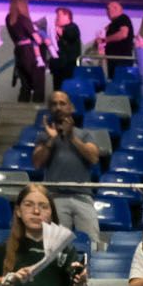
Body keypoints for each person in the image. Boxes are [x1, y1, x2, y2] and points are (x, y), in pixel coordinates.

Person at [33, 87, 102, 245]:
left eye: (62, 103)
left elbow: (93, 158)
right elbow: (37, 163)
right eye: (54, 104)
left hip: (83, 197)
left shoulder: (84, 134)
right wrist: (51, 140)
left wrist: (71, 137)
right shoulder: (44, 136)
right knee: (54, 245)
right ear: (50, 108)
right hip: (55, 197)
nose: (58, 107)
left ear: (71, 107)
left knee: (92, 242)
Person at [98, 0, 135, 78]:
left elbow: (123, 34)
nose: (108, 12)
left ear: (118, 9)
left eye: (110, 9)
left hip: (121, 59)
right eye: (107, 10)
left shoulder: (123, 18)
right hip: (113, 58)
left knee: (120, 80)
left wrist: (105, 40)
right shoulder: (112, 24)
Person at [47, 5, 82, 89]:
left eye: (59, 15)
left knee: (68, 90)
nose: (56, 18)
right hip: (58, 67)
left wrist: (59, 30)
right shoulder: (57, 30)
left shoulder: (73, 27)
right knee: (57, 90)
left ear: (67, 16)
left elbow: (71, 35)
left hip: (69, 67)